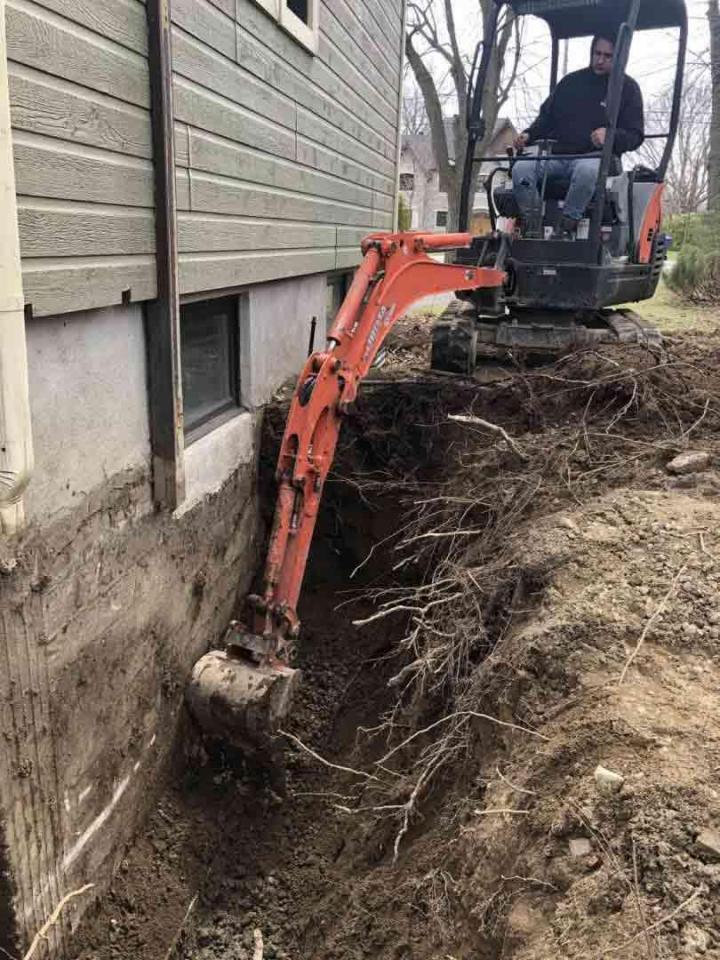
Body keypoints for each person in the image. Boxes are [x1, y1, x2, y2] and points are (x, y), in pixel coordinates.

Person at [511, 34, 644, 238]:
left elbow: (635, 135)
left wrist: (611, 136)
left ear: (619, 57)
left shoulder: (628, 88)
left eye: (607, 56)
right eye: (597, 53)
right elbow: (546, 118)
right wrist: (528, 135)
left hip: (597, 158)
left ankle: (566, 227)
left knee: (586, 172)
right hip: (557, 157)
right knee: (522, 168)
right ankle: (533, 225)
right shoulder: (570, 83)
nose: (600, 60)